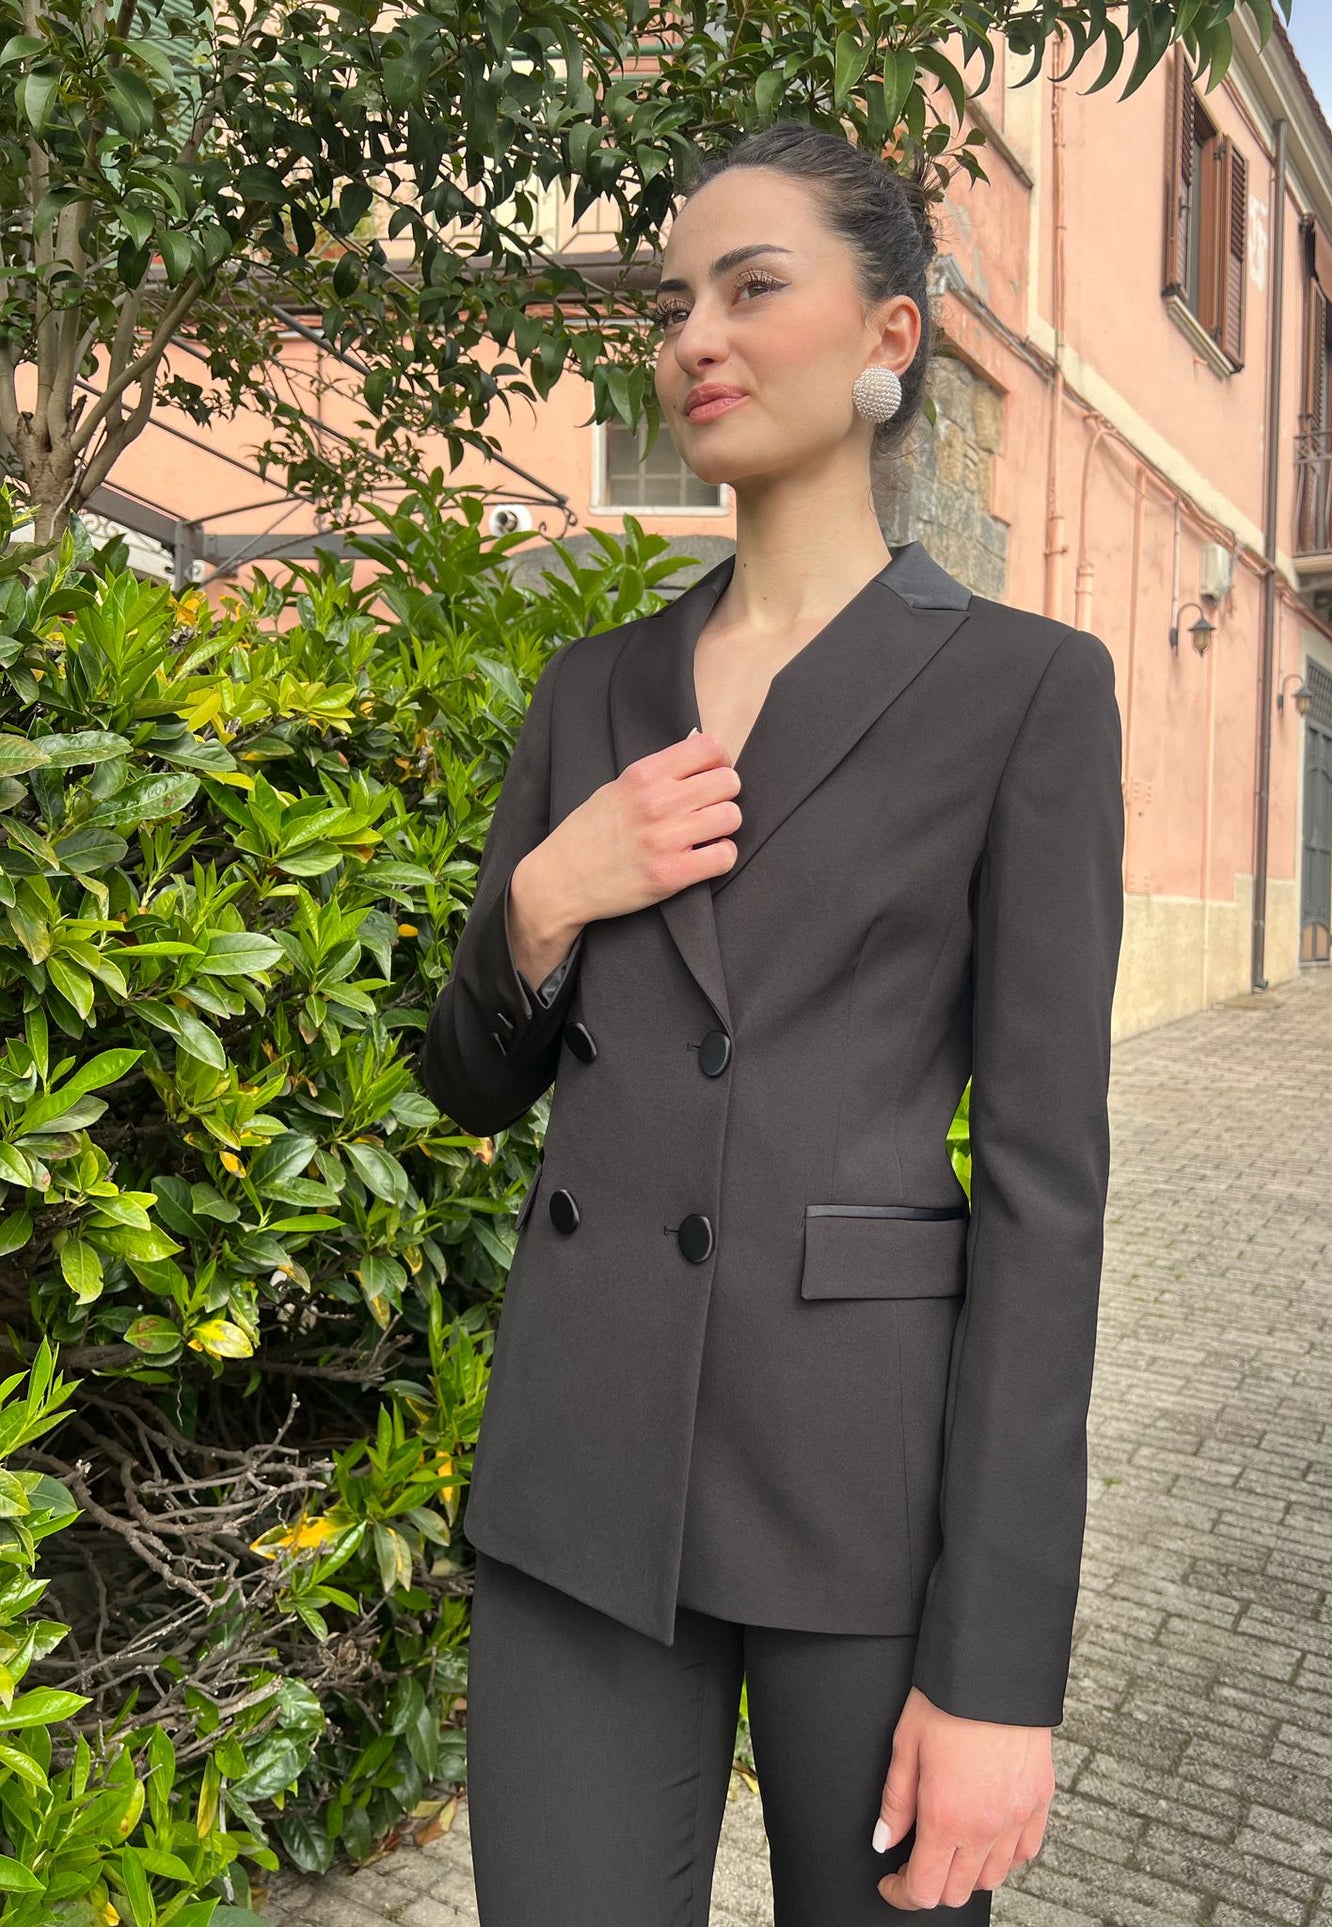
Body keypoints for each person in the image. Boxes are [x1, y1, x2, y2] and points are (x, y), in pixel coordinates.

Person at [420, 120, 1125, 1926]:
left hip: (860, 1483)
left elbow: (1044, 1196)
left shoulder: (1023, 694)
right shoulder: (594, 690)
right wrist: (546, 898)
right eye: (673, 305)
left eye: (751, 289)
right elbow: (472, 1082)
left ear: (889, 334)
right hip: (583, 1474)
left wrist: (997, 1674)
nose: (695, 340)